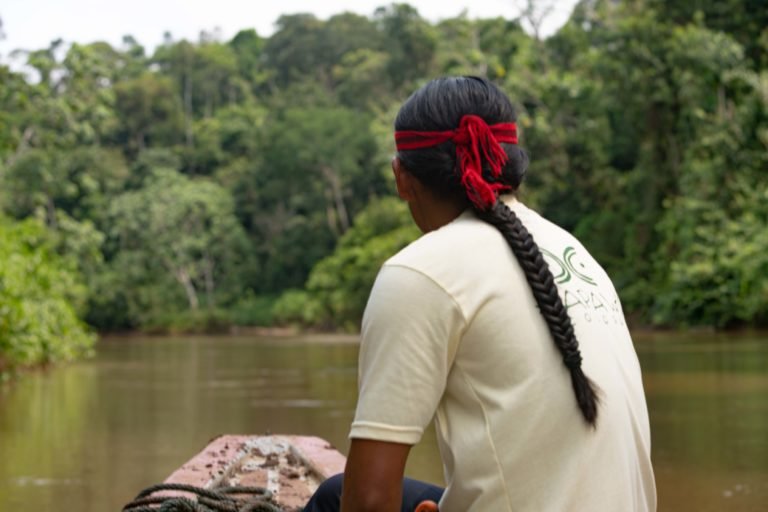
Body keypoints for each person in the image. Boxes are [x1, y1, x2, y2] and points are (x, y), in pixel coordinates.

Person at [304, 76, 656, 512]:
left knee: (337, 498)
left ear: (402, 177)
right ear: (511, 164)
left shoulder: (418, 272)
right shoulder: (575, 253)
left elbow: (370, 501)